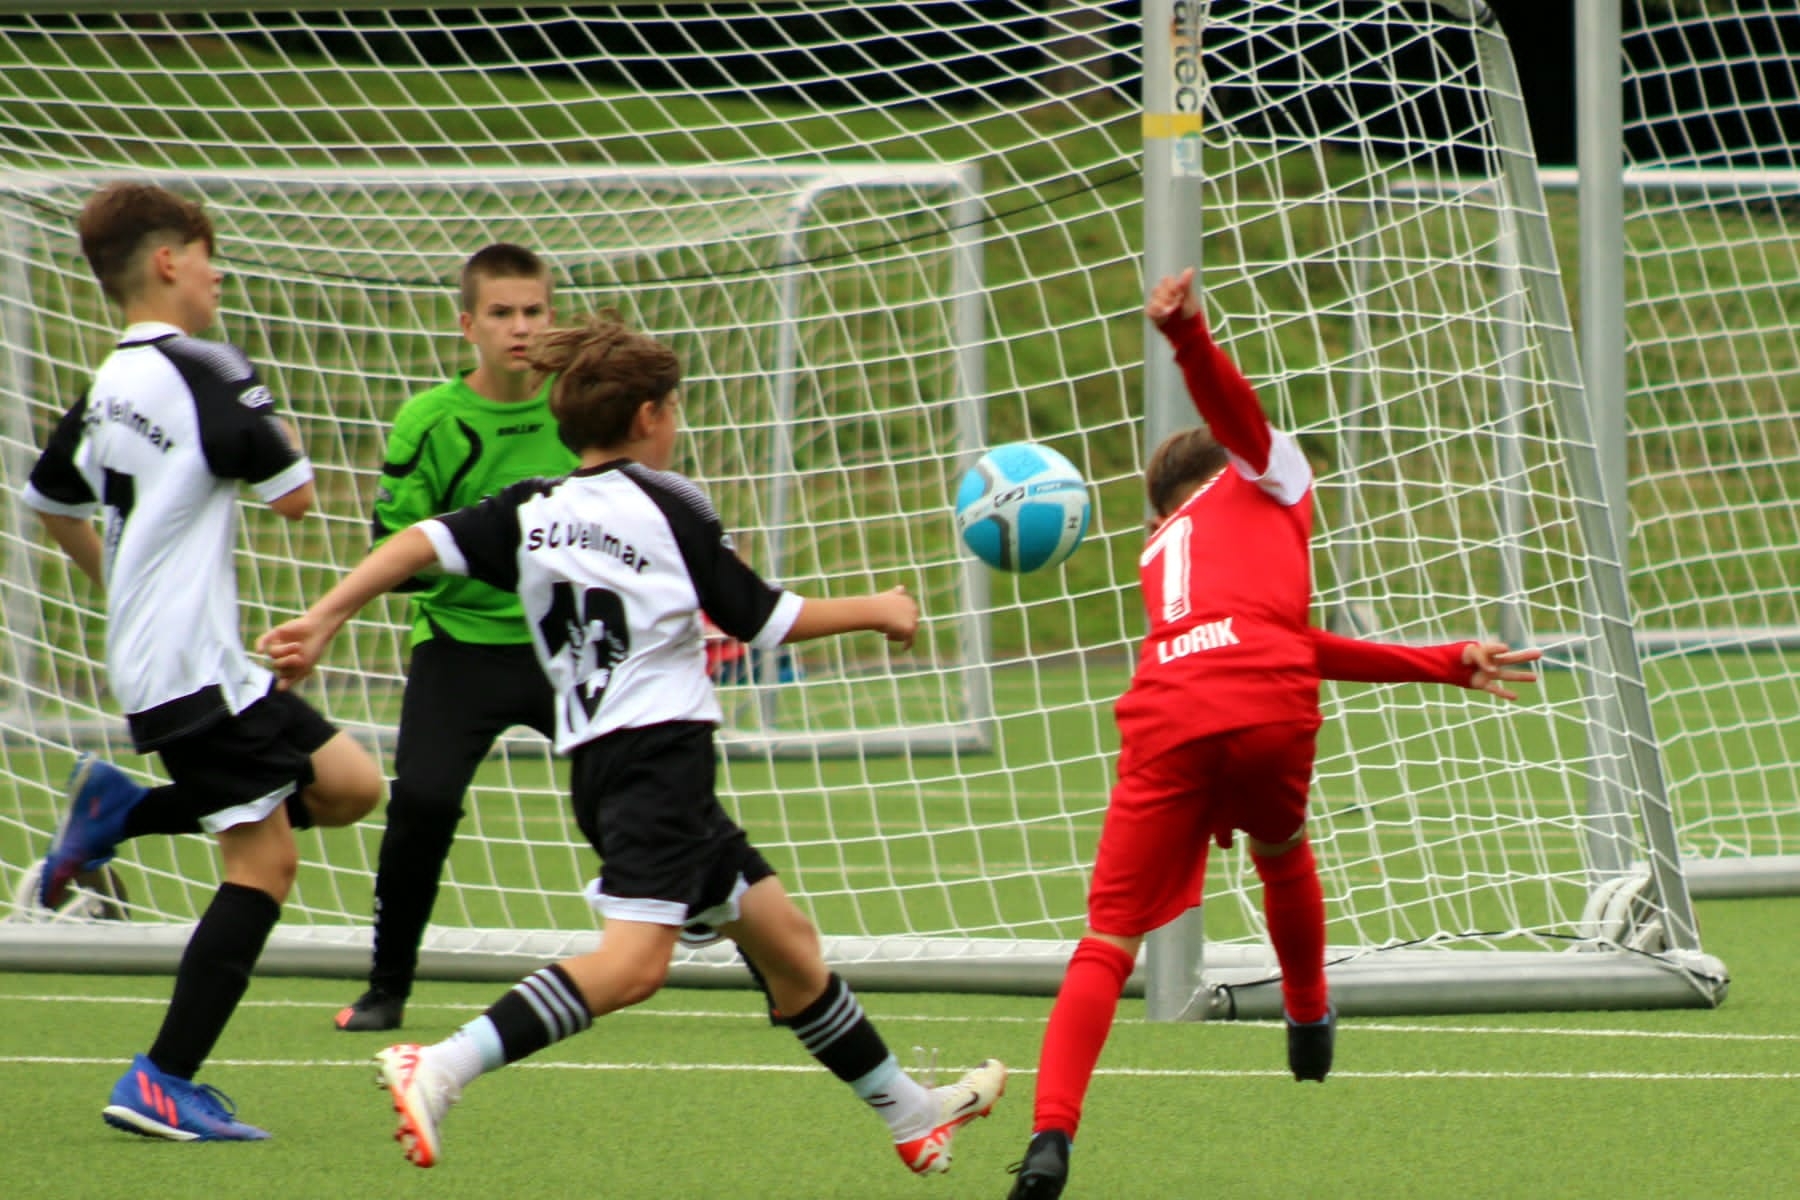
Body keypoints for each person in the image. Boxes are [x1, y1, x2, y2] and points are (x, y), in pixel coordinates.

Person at [257, 311, 1007, 1176]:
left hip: (606, 767)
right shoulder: (671, 502)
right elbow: (760, 618)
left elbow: (417, 542)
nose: (675, 422)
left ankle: (912, 1114)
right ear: (649, 415)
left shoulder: (532, 508)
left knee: (788, 946)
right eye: (674, 408)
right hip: (659, 763)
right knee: (633, 966)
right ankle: (446, 1065)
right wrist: (880, 609)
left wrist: (324, 617)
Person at [1003, 268, 1541, 1199]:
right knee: (1283, 847)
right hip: (1265, 705)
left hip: (1165, 712)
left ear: (1159, 508)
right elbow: (1237, 417)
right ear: (1233, 465)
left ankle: (1051, 1134)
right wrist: (1188, 338)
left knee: (1108, 941)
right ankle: (1307, 1014)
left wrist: (1440, 660)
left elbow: (1275, 636)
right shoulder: (1269, 471)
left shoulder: (1158, 548)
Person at [21, 181, 385, 1141]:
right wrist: (271, 420)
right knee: (264, 864)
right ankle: (162, 1078)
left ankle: (120, 812)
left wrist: (124, 584)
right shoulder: (205, 366)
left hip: (184, 660)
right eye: (208, 255)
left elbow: (50, 498)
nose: (219, 275)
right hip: (190, 669)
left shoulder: (109, 382)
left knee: (350, 785)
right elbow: (295, 497)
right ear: (170, 260)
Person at [335, 242, 578, 1033]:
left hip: (566, 646)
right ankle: (386, 987)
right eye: (501, 313)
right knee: (424, 801)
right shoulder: (430, 420)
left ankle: (765, 964)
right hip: (459, 645)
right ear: (468, 325)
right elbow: (395, 554)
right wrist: (492, 550)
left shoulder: (582, 406)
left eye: (534, 311)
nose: (520, 327)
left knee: (648, 791)